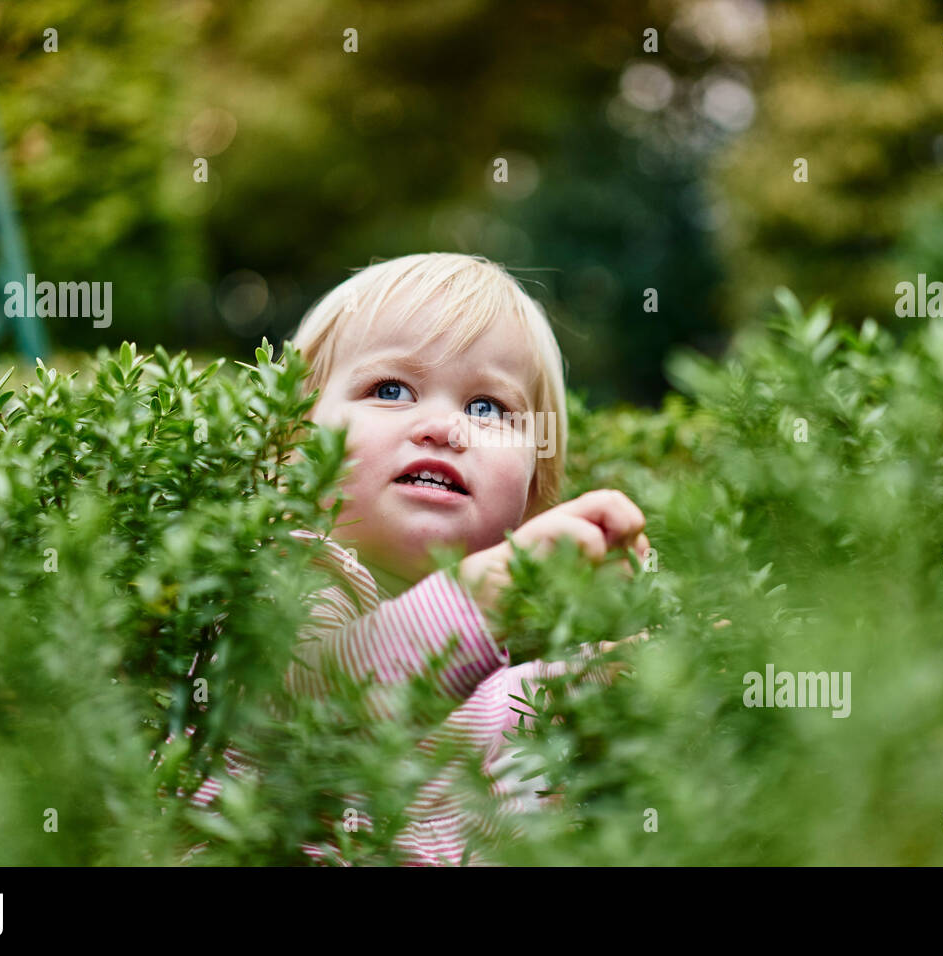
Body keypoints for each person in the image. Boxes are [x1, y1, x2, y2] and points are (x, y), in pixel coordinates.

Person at [186, 253, 651, 865]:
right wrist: (490, 594)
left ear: (534, 492)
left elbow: (501, 713)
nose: (443, 426)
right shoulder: (277, 574)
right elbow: (329, 694)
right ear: (290, 444)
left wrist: (614, 672)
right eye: (390, 389)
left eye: (487, 407)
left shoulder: (485, 649)